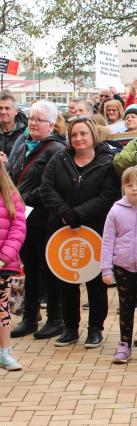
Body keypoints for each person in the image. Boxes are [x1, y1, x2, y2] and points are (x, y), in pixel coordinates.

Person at [40, 116, 121, 349]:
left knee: (96, 281)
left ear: (93, 135)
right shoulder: (59, 159)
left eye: (83, 133)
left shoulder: (107, 162)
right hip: (62, 228)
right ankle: (70, 327)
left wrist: (79, 214)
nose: (78, 138)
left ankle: (95, 328)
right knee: (67, 280)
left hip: (96, 229)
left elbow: (108, 195)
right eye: (74, 134)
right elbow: (47, 188)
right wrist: (66, 212)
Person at [6, 100, 66, 339]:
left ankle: (56, 318)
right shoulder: (22, 143)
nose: (33, 123)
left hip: (45, 217)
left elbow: (49, 186)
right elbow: (12, 173)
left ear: (51, 124)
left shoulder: (56, 150)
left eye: (39, 120)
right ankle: (30, 317)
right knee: (30, 267)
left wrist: (23, 199)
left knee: (49, 269)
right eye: (31, 118)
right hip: (24, 219)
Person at [101, 166, 137, 364]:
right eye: (129, 184)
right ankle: (124, 343)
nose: (134, 189)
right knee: (125, 307)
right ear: (123, 186)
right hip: (122, 268)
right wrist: (106, 269)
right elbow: (107, 240)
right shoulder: (115, 210)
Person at [0, 160, 26, 371]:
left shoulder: (11, 196)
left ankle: (5, 351)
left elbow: (18, 229)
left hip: (4, 264)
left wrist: (3, 257)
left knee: (2, 311)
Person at [0, 92, 27, 163]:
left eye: (7, 108)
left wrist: (8, 162)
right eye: (0, 108)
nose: (3, 112)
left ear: (16, 111)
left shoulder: (26, 133)